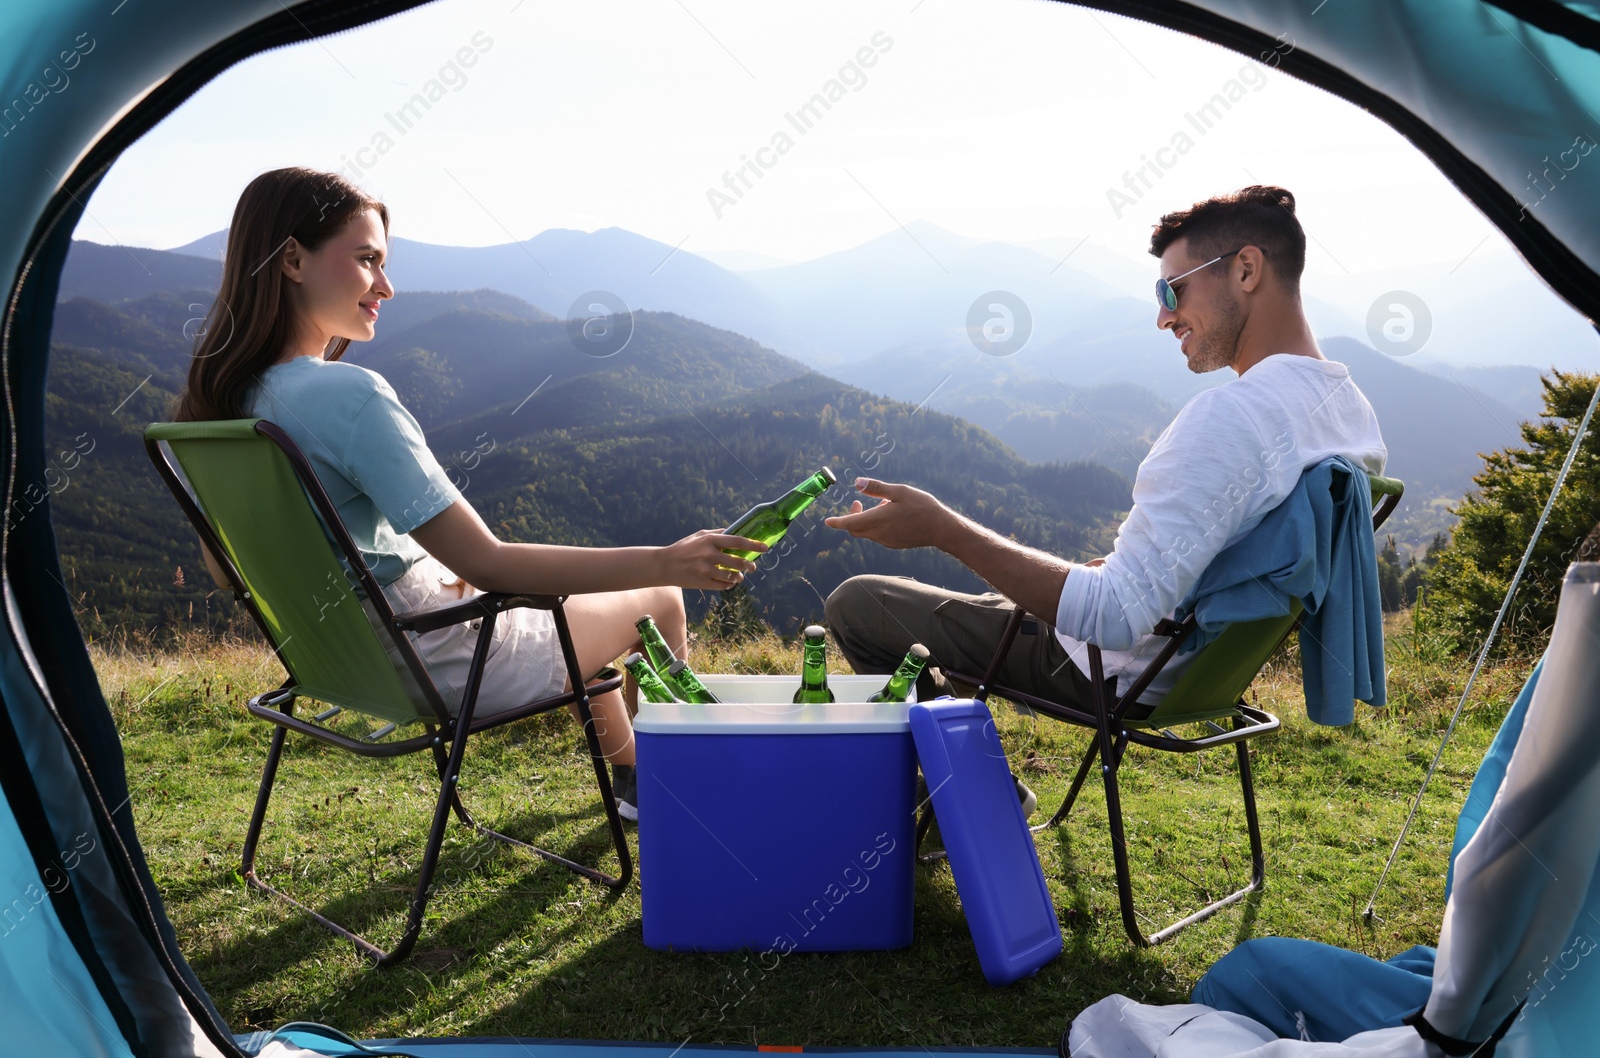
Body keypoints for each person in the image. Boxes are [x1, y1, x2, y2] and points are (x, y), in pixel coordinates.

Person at [176, 167, 766, 822]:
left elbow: (225, 571)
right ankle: (665, 789)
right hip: (443, 659)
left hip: (345, 662)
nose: (386, 285)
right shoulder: (348, 397)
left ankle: (630, 775)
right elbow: (485, 561)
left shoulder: (218, 409)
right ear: (292, 259)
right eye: (367, 259)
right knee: (658, 598)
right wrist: (666, 559)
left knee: (584, 598)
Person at [823, 186, 1387, 811]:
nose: (1164, 316)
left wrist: (941, 528)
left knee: (858, 604)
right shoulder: (1347, 411)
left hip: (1118, 671)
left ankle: (977, 800)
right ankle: (974, 772)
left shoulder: (1232, 420)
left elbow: (1114, 618)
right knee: (984, 604)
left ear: (1246, 269)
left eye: (1173, 290)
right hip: (1200, 669)